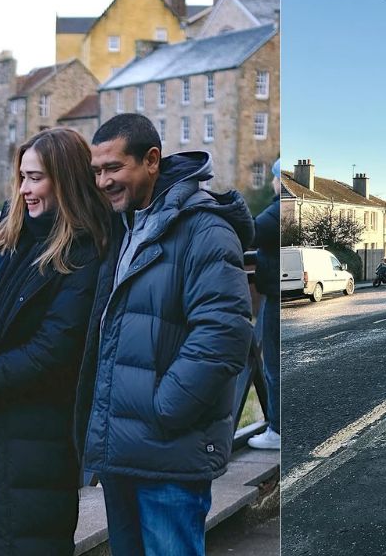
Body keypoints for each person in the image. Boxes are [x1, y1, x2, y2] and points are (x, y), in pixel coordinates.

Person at [79, 113, 253, 555]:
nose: (103, 182)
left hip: (168, 451)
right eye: (97, 171)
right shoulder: (127, 225)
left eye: (114, 168)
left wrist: (163, 411)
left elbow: (224, 334)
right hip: (123, 448)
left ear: (152, 160)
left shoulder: (204, 229)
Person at [0, 128, 109, 554]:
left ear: (65, 181)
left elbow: (52, 352)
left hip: (38, 433)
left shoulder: (82, 252)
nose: (25, 190)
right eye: (22, 178)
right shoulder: (20, 240)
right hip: (0, 429)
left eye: (36, 178)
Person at [248, 159, 281, 450]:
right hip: (276, 290)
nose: (271, 182)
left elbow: (249, 232)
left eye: (274, 176)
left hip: (274, 293)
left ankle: (278, 430)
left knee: (272, 362)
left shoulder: (275, 211)